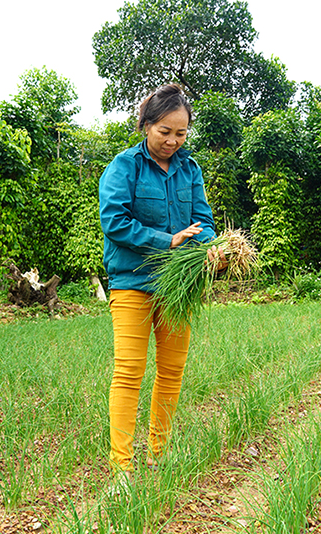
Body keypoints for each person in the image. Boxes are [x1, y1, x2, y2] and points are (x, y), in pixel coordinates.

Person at [98, 84, 224, 486]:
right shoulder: (124, 166)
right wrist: (165, 240)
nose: (172, 140)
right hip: (132, 282)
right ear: (146, 125)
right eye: (164, 131)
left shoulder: (190, 169)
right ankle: (122, 464)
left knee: (172, 371)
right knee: (129, 369)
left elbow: (203, 220)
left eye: (181, 133)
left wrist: (211, 246)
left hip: (178, 287)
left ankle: (159, 454)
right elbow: (114, 222)